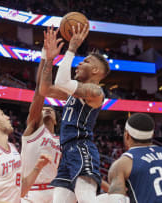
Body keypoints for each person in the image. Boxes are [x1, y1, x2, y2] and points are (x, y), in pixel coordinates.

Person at [40, 25, 110, 203]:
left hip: (81, 148)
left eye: (85, 61)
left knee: (87, 199)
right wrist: (48, 59)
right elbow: (45, 89)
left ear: (95, 71)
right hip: (67, 152)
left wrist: (71, 49)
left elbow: (62, 81)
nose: (79, 63)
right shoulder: (74, 92)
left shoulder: (95, 92)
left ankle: (122, 199)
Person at [0, 104, 52, 203]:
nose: (7, 117)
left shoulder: (13, 148)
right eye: (2, 114)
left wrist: (38, 168)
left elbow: (21, 191)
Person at [20, 43, 61, 203]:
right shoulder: (33, 129)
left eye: (50, 109)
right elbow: (39, 91)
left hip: (56, 193)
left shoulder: (61, 141)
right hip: (32, 191)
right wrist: (47, 58)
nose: (47, 109)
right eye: (44, 109)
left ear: (56, 120)